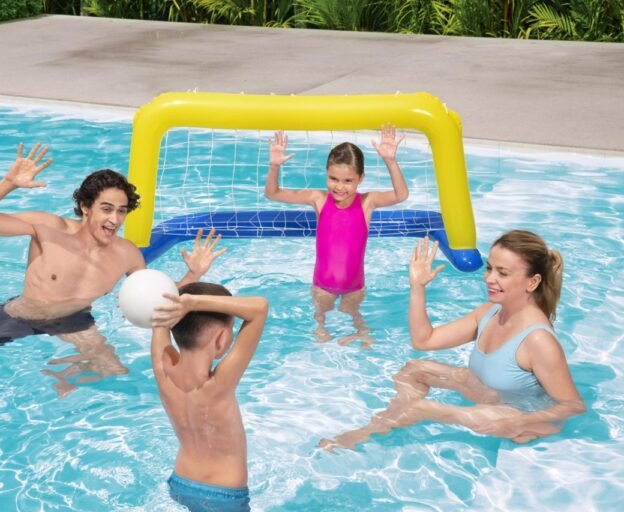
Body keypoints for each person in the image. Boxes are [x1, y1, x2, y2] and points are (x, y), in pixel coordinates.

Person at [0, 142, 225, 434]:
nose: (114, 219)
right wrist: (8, 184)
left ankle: (63, 370)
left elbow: (148, 303)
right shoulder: (45, 228)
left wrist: (190, 276)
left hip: (75, 320)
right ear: (85, 207)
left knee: (113, 370)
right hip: (20, 314)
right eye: (107, 209)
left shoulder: (127, 254)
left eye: (122, 211)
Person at [320, 232, 586, 449]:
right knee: (414, 370)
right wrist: (418, 287)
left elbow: (572, 406)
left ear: (532, 282)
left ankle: (360, 436)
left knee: (424, 408)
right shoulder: (489, 313)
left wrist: (519, 422)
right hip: (493, 396)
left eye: (503, 273)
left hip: (519, 418)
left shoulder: (537, 340)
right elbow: (424, 340)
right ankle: (393, 419)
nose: (489, 279)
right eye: (489, 268)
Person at [265, 126, 409, 346]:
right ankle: (322, 330)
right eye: (333, 179)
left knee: (355, 317)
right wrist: (274, 166)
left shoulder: (367, 202)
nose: (339, 187)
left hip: (355, 286)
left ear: (360, 178)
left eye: (348, 181)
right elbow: (272, 193)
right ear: (326, 174)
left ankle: (361, 333)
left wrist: (390, 160)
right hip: (322, 285)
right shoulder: (319, 199)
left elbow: (401, 195)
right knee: (320, 322)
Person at [150, 282, 268, 512]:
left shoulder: (162, 368)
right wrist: (194, 302)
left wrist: (190, 284)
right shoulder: (218, 384)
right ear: (221, 340)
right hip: (225, 495)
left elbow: (160, 315)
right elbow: (260, 308)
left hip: (180, 483)